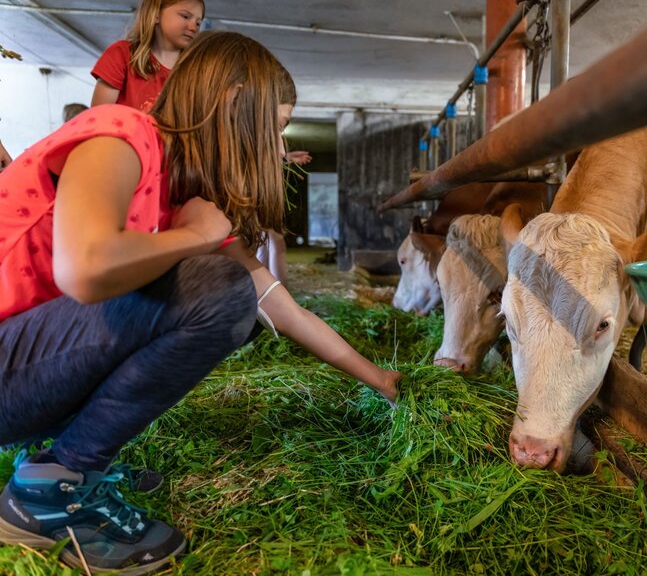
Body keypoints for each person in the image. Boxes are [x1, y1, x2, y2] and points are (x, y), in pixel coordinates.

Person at [0, 31, 401, 575]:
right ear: (233, 101)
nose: (279, 148)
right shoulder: (121, 134)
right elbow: (85, 269)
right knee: (213, 289)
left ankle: (67, 460)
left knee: (226, 294)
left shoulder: (180, 190)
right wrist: (191, 239)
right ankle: (51, 489)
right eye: (275, 127)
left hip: (26, 371)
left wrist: (378, 378)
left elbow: (276, 303)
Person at [91, 0, 204, 111]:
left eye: (198, 23)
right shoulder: (121, 54)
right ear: (155, 14)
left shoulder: (196, 70)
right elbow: (99, 116)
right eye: (185, 16)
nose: (193, 28)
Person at [256, 148, 313, 287]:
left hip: (261, 199)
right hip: (256, 199)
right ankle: (274, 295)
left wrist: (286, 158)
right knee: (270, 243)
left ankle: (273, 295)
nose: (280, 149)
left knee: (272, 241)